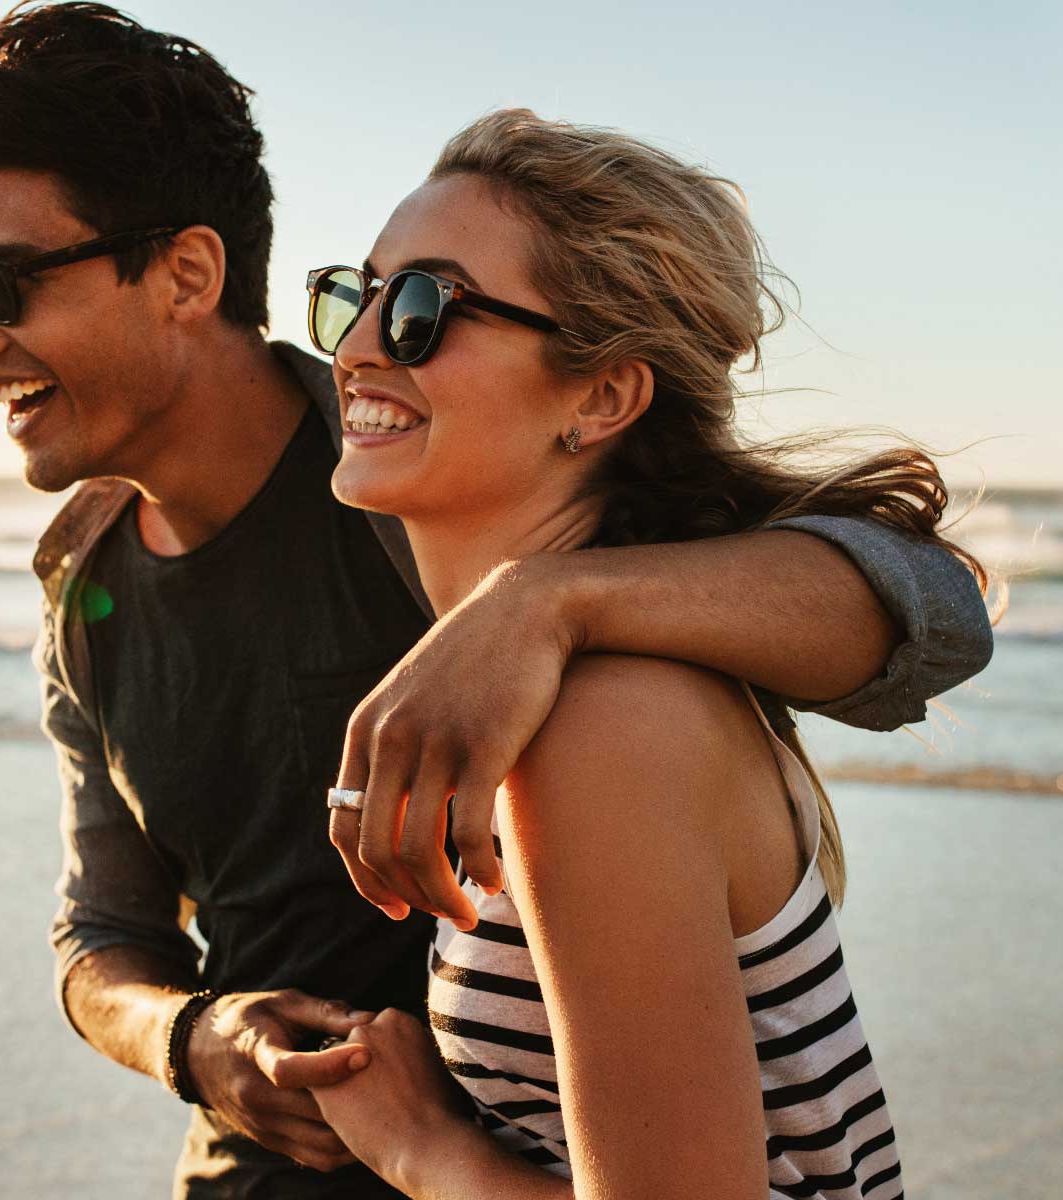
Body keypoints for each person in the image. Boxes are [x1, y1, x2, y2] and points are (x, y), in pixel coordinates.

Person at [0, 6, 992, 1196]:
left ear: (185, 274)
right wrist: (195, 1038)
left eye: (3, 282)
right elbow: (102, 933)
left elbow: (933, 611)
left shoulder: (433, 491)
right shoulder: (86, 587)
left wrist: (542, 606)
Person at [301, 112, 977, 1198]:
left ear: (602, 396)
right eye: (354, 294)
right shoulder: (577, 686)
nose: (359, 345)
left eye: (423, 308)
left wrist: (417, 1147)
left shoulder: (600, 728)